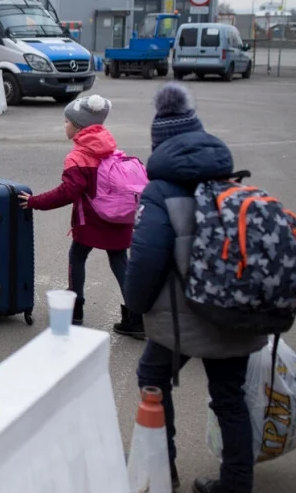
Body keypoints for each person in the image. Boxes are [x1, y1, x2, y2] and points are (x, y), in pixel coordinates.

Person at [124, 83, 264, 493]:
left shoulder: (160, 192)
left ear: (159, 144)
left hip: (184, 318)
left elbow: (146, 260)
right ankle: (237, 483)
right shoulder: (230, 181)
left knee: (152, 375)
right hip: (236, 311)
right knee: (229, 396)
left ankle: (162, 468)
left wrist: (136, 305)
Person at [17, 94, 140, 336]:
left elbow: (68, 192)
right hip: (120, 218)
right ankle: (136, 317)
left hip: (91, 222)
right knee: (120, 261)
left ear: (78, 126)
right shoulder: (110, 147)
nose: (65, 126)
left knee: (77, 257)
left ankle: (76, 310)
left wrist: (34, 202)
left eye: (66, 122)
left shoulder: (78, 156)